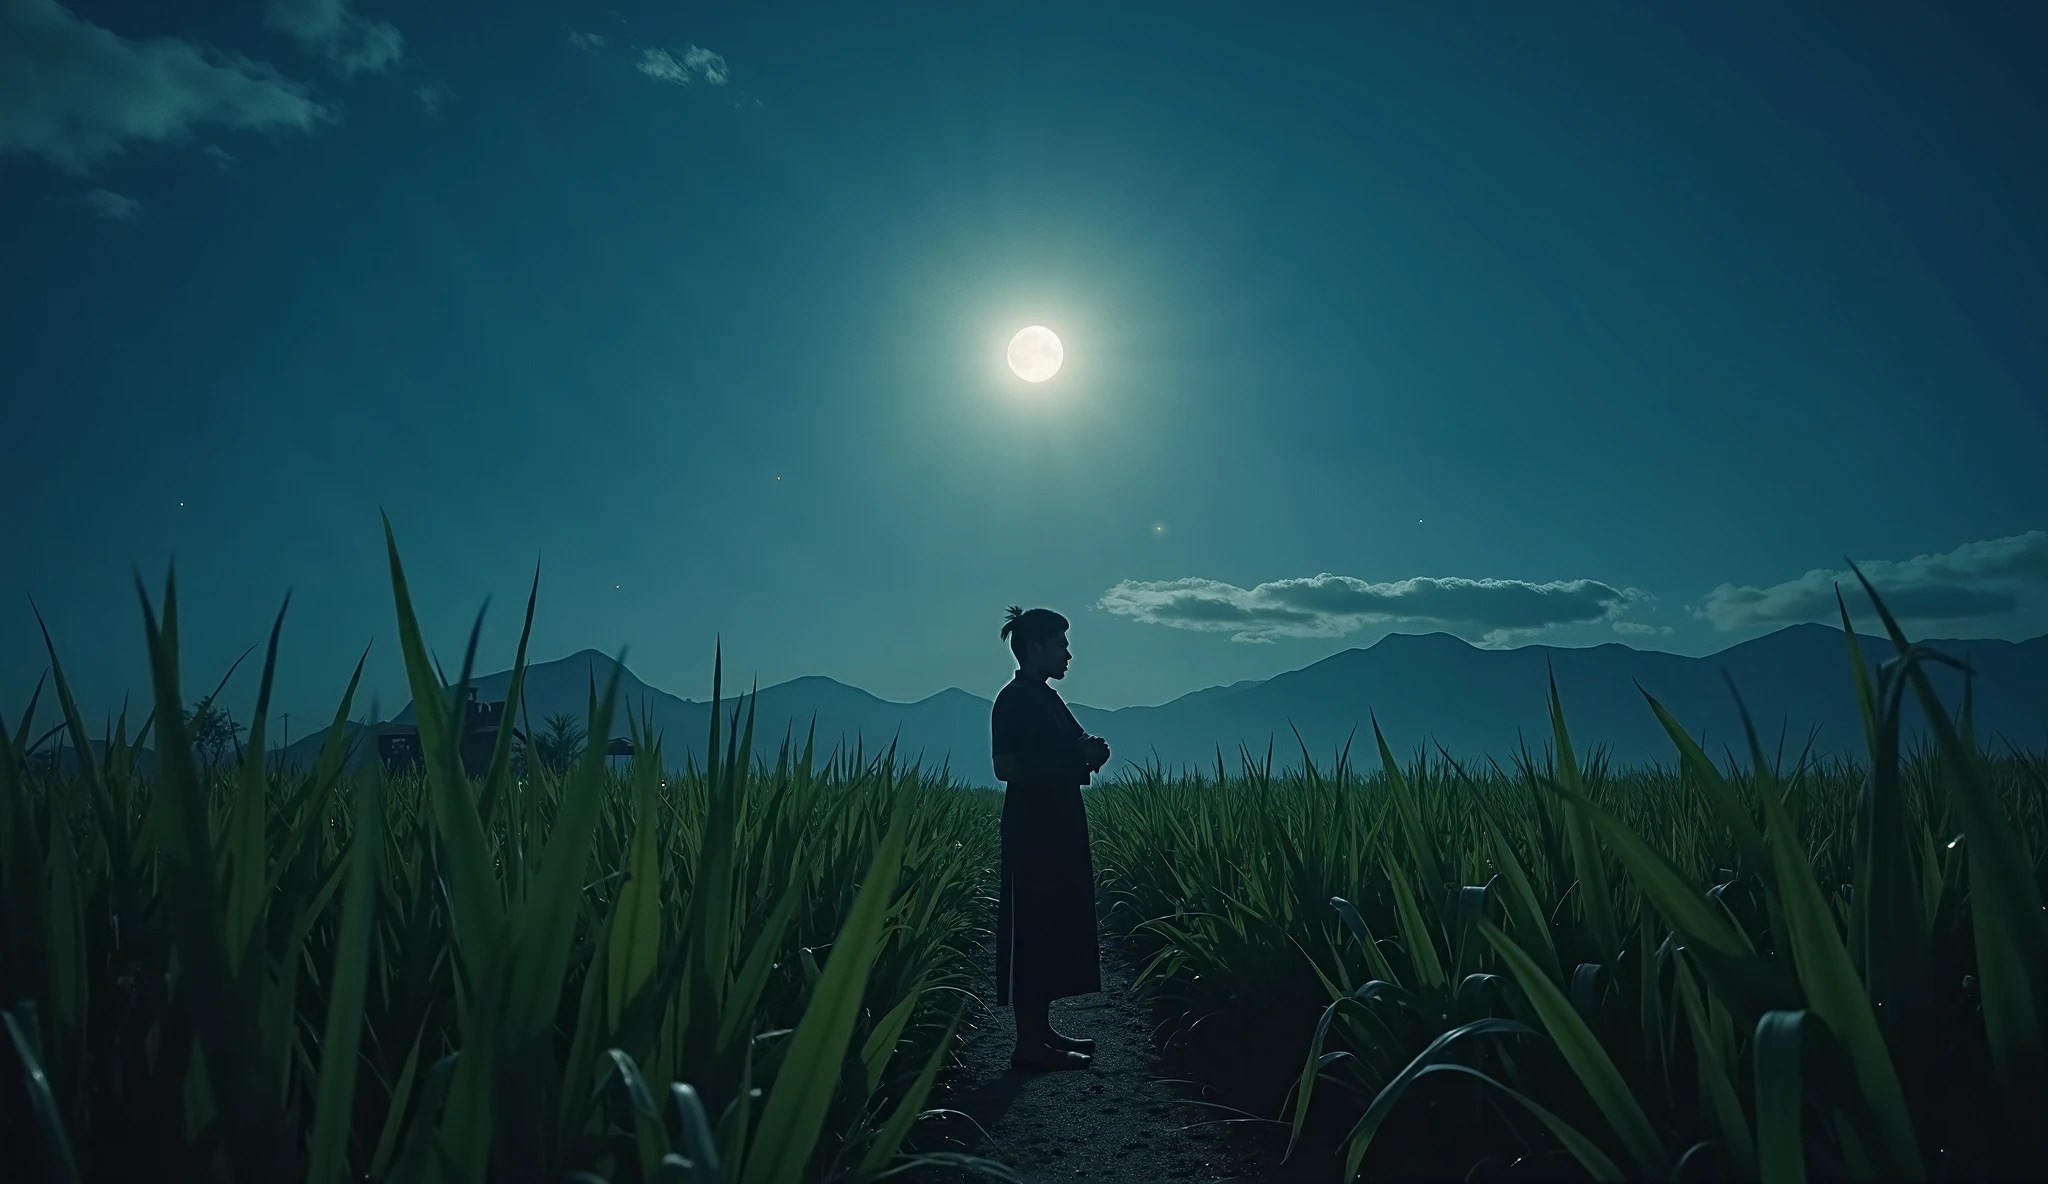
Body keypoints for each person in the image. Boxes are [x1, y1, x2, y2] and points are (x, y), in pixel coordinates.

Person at [990, 605, 1112, 1071]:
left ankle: (1042, 1032)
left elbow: (1074, 745)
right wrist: (1075, 757)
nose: (1068, 654)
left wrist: (1092, 752)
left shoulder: (1047, 698)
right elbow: (1006, 767)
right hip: (1032, 832)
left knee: (1055, 924)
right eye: (1061, 644)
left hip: (1060, 826)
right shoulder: (1014, 699)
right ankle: (1028, 1045)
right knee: (1032, 928)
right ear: (1035, 647)